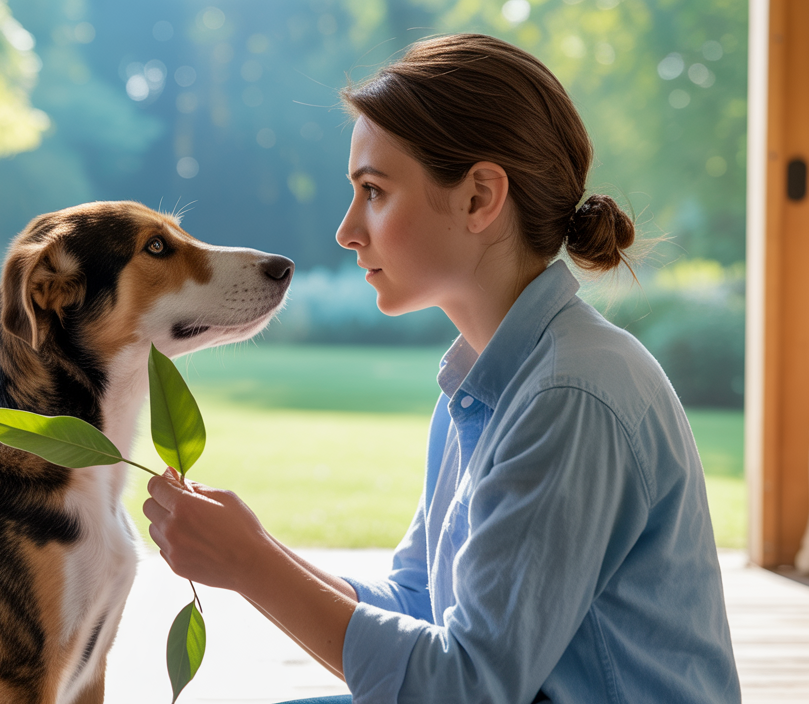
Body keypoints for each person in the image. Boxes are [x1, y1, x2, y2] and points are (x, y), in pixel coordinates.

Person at [143, 33, 740, 704]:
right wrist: (250, 552)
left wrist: (250, 563)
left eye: (373, 191)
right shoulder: (484, 381)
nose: (346, 229)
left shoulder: (570, 394)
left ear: (480, 199)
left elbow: (463, 687)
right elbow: (417, 602)